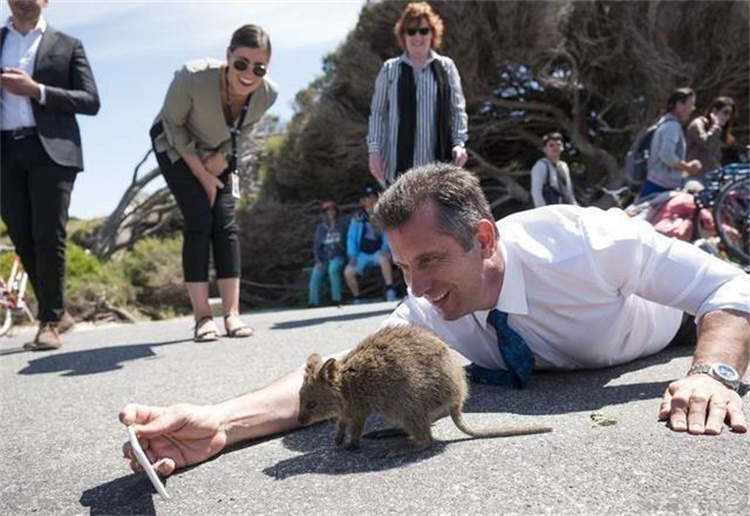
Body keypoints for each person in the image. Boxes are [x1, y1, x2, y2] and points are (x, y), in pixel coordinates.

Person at [120, 164, 748, 477]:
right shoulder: (426, 305)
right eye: (403, 266)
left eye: (430, 260)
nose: (416, 287)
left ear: (482, 237)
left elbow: (727, 287)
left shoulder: (586, 241)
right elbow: (334, 378)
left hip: (666, 326)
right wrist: (221, 422)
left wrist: (713, 371)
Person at [150, 24, 277, 342]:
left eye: (259, 67)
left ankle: (232, 313)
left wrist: (219, 161)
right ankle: (203, 317)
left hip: (219, 153)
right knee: (199, 217)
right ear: (228, 56)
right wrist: (203, 175)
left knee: (225, 223)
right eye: (242, 63)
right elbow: (173, 126)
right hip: (176, 147)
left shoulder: (267, 93)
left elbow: (247, 129)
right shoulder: (190, 76)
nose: (249, 73)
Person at [0, 0, 99, 351]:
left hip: (52, 152)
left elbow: (90, 101)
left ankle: (49, 321)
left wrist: (36, 90)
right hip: (5, 154)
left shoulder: (68, 45)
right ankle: (59, 312)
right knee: (22, 235)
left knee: (48, 234)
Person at [366, 1, 468, 187]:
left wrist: (459, 144)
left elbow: (457, 111)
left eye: (423, 30)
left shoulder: (446, 67)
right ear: (403, 36)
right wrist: (374, 150)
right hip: (397, 169)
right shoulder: (390, 69)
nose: (417, 36)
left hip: (439, 167)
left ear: (433, 33)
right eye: (411, 31)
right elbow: (378, 114)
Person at [639, 87, 702, 200]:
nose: (693, 108)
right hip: (660, 186)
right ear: (679, 104)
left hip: (657, 182)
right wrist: (688, 167)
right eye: (691, 104)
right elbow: (667, 156)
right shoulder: (672, 127)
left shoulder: (666, 122)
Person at [344, 184, 397, 303]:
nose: (371, 199)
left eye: (373, 196)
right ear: (362, 201)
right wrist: (352, 255)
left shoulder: (382, 215)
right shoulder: (357, 218)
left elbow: (389, 234)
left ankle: (390, 290)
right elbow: (351, 238)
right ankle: (357, 298)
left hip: (378, 252)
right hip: (361, 254)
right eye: (367, 197)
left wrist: (385, 248)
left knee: (384, 259)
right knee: (348, 272)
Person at [308, 200, 348, 307]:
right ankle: (313, 302)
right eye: (327, 211)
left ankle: (336, 299)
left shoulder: (343, 225)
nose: (330, 213)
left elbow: (347, 242)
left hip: (338, 256)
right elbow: (316, 246)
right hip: (324, 258)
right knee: (316, 273)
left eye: (332, 210)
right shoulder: (321, 228)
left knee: (333, 270)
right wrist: (318, 261)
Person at [686, 96, 735, 174]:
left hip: (712, 176)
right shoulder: (698, 124)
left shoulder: (719, 131)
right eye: (725, 113)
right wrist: (716, 126)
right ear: (714, 111)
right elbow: (707, 143)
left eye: (730, 114)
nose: (727, 117)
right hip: (694, 176)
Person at [529, 132, 577, 208]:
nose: (555, 148)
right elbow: (536, 193)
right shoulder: (541, 166)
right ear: (544, 149)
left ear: (562, 147)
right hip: (548, 211)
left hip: (562, 209)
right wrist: (544, 213)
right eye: (551, 145)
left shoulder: (563, 166)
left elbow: (569, 193)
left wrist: (575, 208)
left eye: (558, 145)